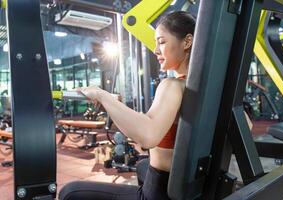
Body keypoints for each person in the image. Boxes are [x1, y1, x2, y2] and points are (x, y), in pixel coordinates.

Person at [59, 11, 195, 200]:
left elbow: (148, 137)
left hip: (160, 193)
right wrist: (114, 105)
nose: (155, 50)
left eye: (162, 42)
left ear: (187, 42)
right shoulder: (207, 88)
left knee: (69, 192)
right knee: (141, 166)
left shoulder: (172, 85)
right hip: (190, 186)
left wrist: (101, 94)